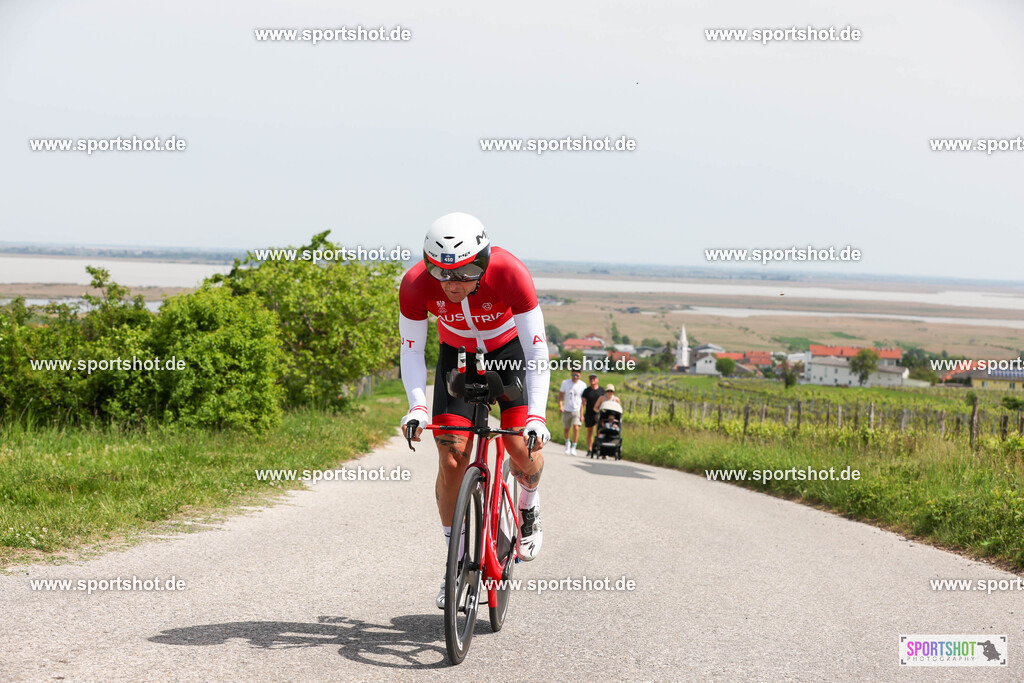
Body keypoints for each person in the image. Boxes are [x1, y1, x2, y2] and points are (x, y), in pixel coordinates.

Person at [398, 212, 551, 609]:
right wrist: (417, 407)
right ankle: (456, 564)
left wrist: (537, 417)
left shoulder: (510, 272)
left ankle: (528, 504)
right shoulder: (415, 283)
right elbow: (411, 351)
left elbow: (536, 351)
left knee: (521, 447)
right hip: (457, 356)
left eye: (466, 273)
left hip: (508, 353)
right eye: (442, 273)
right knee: (451, 457)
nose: (453, 284)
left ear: (483, 261)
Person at [557, 371, 586, 454]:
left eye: (577, 375)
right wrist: (561, 406)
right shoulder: (565, 383)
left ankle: (574, 446)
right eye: (574, 375)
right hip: (567, 409)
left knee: (576, 427)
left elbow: (583, 400)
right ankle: (567, 443)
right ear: (571, 374)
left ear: (580, 375)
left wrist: (582, 413)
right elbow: (560, 396)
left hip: (577, 409)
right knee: (566, 429)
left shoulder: (583, 385)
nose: (575, 377)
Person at [580, 373, 604, 455]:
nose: (592, 380)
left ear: (597, 380)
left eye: (594, 378)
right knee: (589, 431)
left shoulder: (601, 390)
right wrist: (581, 415)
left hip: (598, 414)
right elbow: (582, 404)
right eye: (591, 379)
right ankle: (589, 449)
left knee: (599, 431)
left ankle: (597, 447)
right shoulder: (586, 391)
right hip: (589, 413)